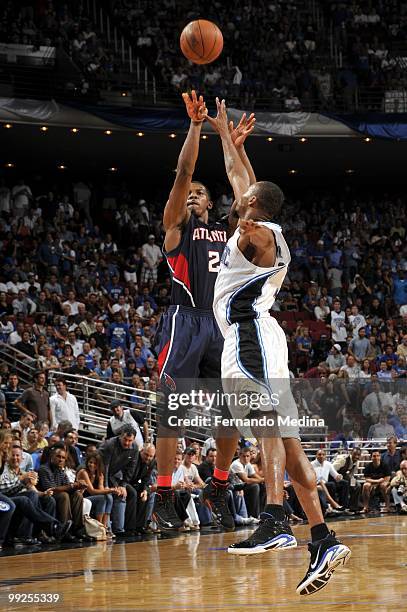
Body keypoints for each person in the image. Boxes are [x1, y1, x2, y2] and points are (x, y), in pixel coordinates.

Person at [210, 98, 350, 596]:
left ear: (253, 205)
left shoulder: (264, 232)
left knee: (266, 424)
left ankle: (273, 517)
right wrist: (224, 133)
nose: (237, 198)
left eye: (243, 199)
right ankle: (322, 538)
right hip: (257, 338)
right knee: (290, 449)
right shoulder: (253, 216)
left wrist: (251, 224)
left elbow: (252, 212)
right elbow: (236, 174)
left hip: (251, 334)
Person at [152, 91, 256, 532]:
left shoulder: (227, 232)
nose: (192, 195)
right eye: (188, 194)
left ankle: (216, 482)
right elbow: (183, 171)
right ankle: (162, 493)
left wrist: (234, 145)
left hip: (220, 324)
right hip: (185, 319)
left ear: (210, 203)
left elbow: (249, 195)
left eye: (199, 194)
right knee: (170, 405)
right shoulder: (176, 228)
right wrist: (196, 127)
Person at [37, 444, 85, 540]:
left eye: (63, 458)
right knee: (64, 495)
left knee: (77, 495)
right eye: (58, 456)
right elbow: (51, 489)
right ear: (52, 457)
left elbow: (68, 486)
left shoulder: (60, 470)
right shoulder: (44, 469)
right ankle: (63, 530)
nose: (61, 459)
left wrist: (78, 486)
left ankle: (77, 529)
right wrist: (72, 486)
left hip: (56, 495)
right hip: (46, 496)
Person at [98, 425, 138, 535]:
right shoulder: (110, 445)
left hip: (115, 476)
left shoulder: (134, 448)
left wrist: (123, 485)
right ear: (120, 436)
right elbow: (104, 467)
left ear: (133, 440)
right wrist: (106, 487)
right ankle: (107, 529)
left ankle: (122, 529)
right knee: (108, 496)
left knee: (126, 494)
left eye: (130, 440)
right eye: (125, 439)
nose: (127, 443)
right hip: (99, 474)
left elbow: (131, 469)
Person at [76, 452, 117, 533]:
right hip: (80, 497)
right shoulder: (83, 472)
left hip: (91, 498)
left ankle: (104, 526)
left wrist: (101, 481)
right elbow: (92, 491)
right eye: (90, 462)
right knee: (102, 498)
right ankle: (99, 526)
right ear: (87, 462)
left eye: (95, 463)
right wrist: (111, 490)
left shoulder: (98, 474)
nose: (92, 465)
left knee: (108, 498)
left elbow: (101, 490)